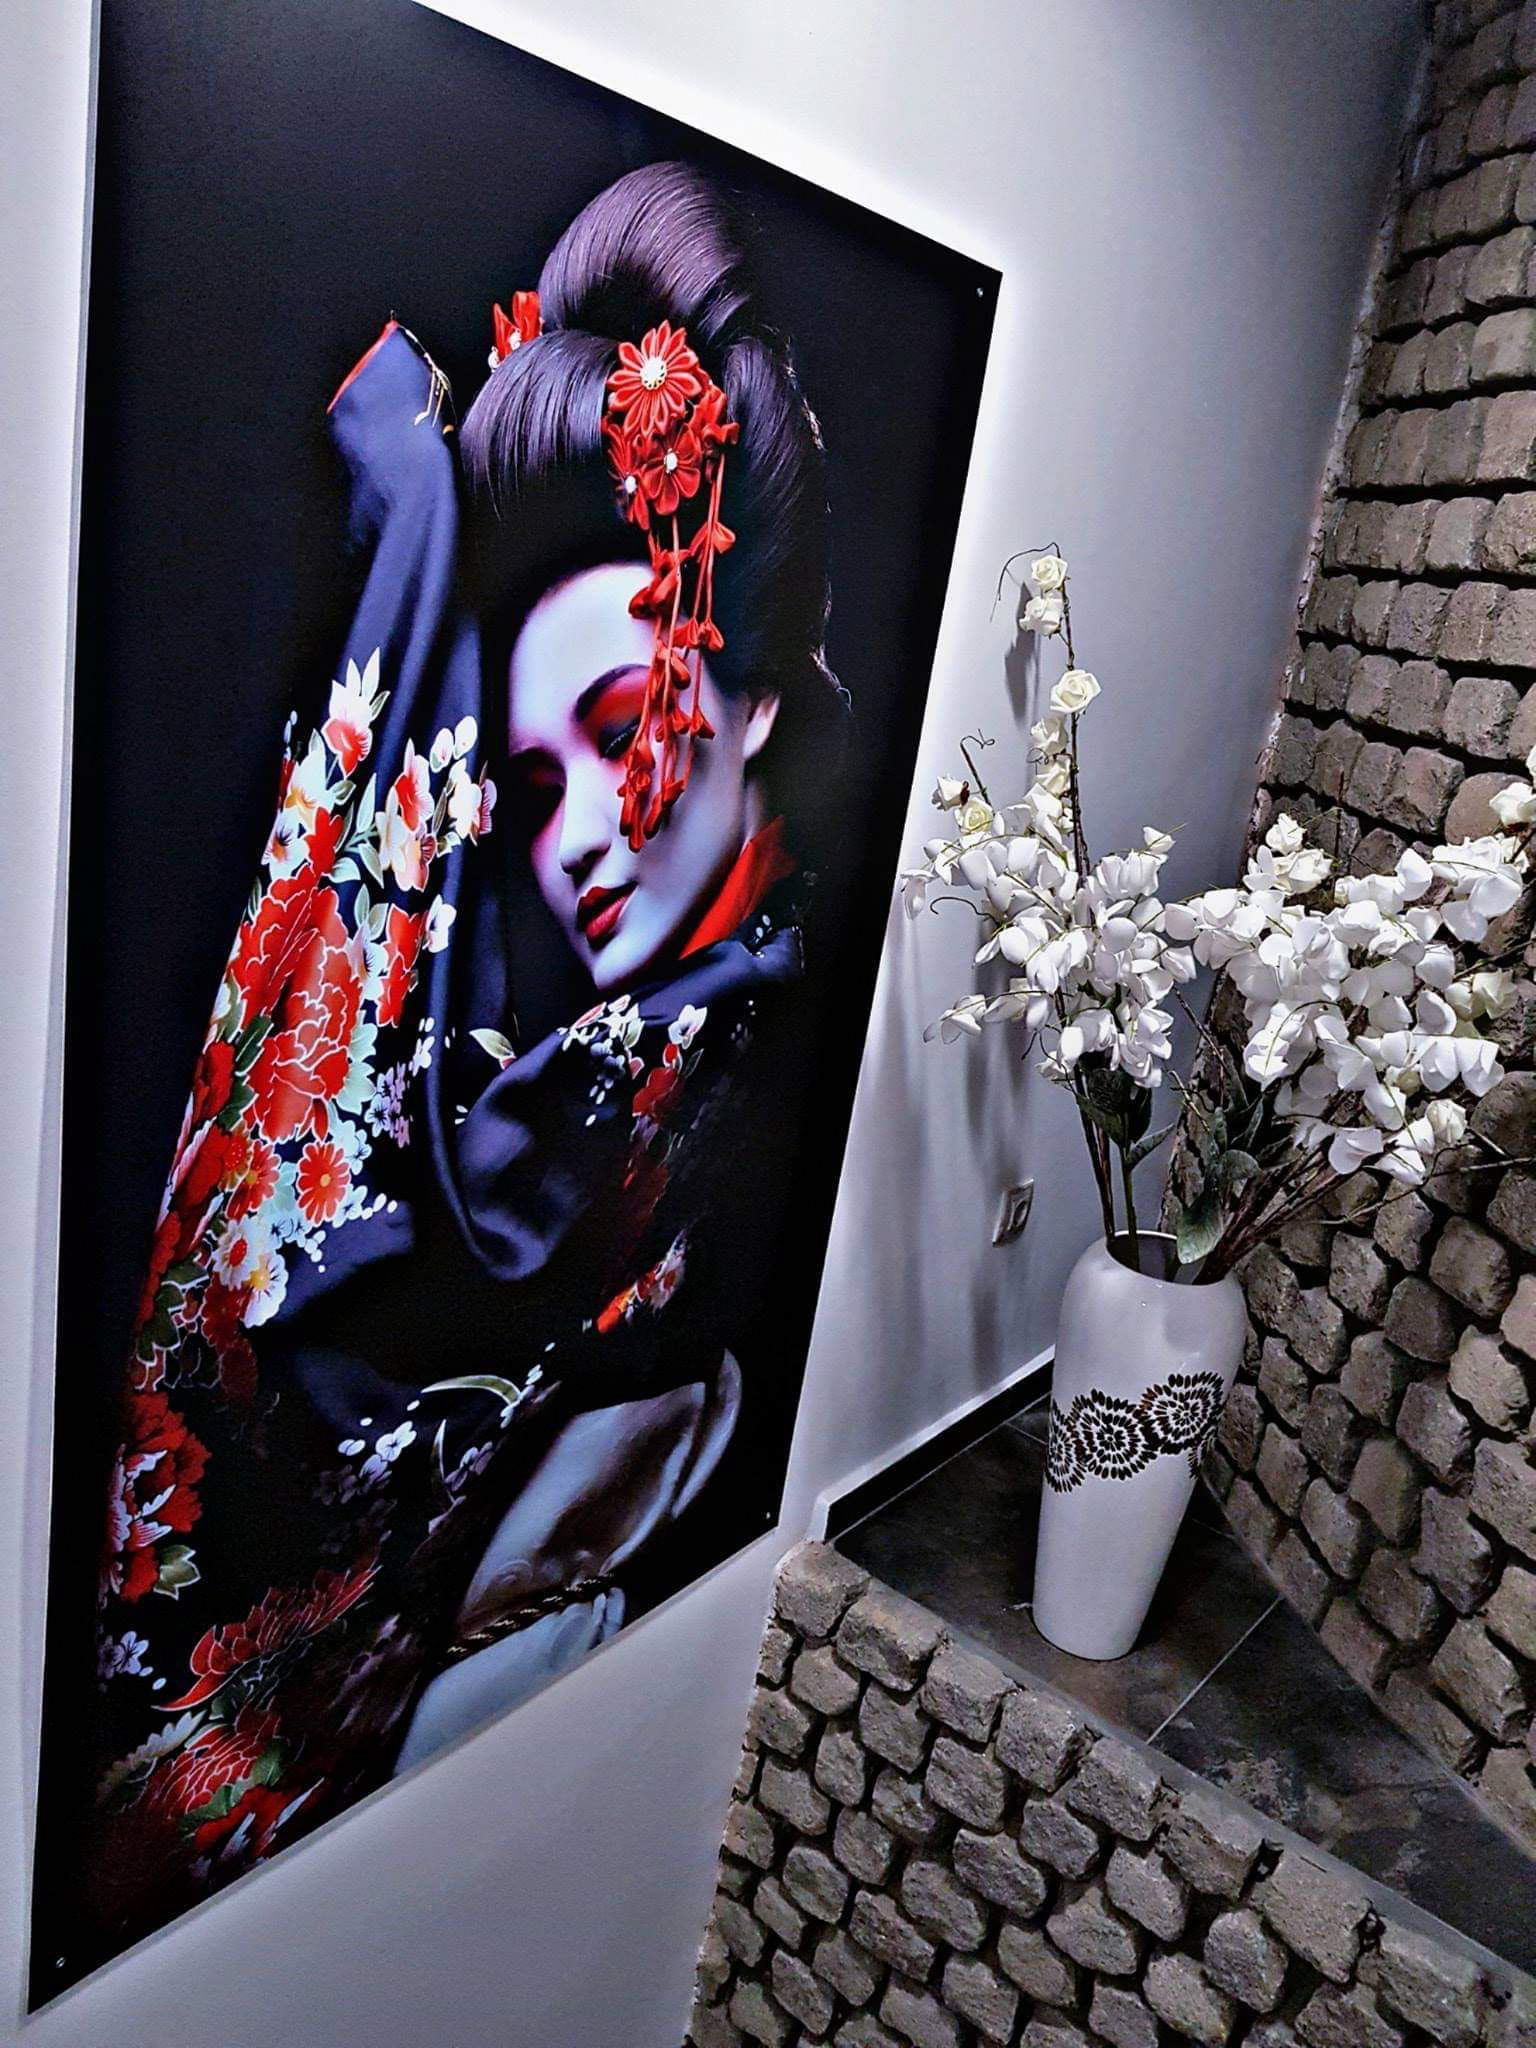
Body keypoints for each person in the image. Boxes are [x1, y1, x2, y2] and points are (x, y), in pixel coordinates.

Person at [79, 160, 844, 1960]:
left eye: (624, 726)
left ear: (751, 700)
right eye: (530, 772)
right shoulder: (490, 1004)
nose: (571, 839)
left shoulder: (769, 1028)